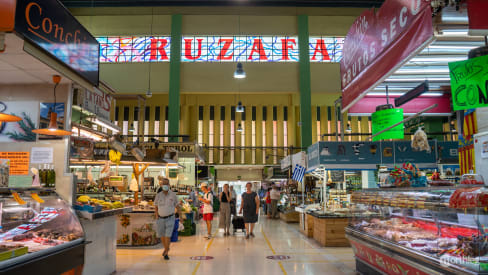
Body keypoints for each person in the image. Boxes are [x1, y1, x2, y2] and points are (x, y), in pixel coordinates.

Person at [154, 178, 179, 260]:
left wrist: (181, 216)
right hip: (160, 218)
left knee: (168, 235)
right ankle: (166, 248)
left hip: (170, 217)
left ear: (169, 185)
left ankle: (166, 252)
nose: (165, 185)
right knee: (162, 235)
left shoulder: (173, 195)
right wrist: (156, 215)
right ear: (161, 185)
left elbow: (177, 206)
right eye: (163, 184)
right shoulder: (158, 195)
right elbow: (156, 206)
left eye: (166, 184)